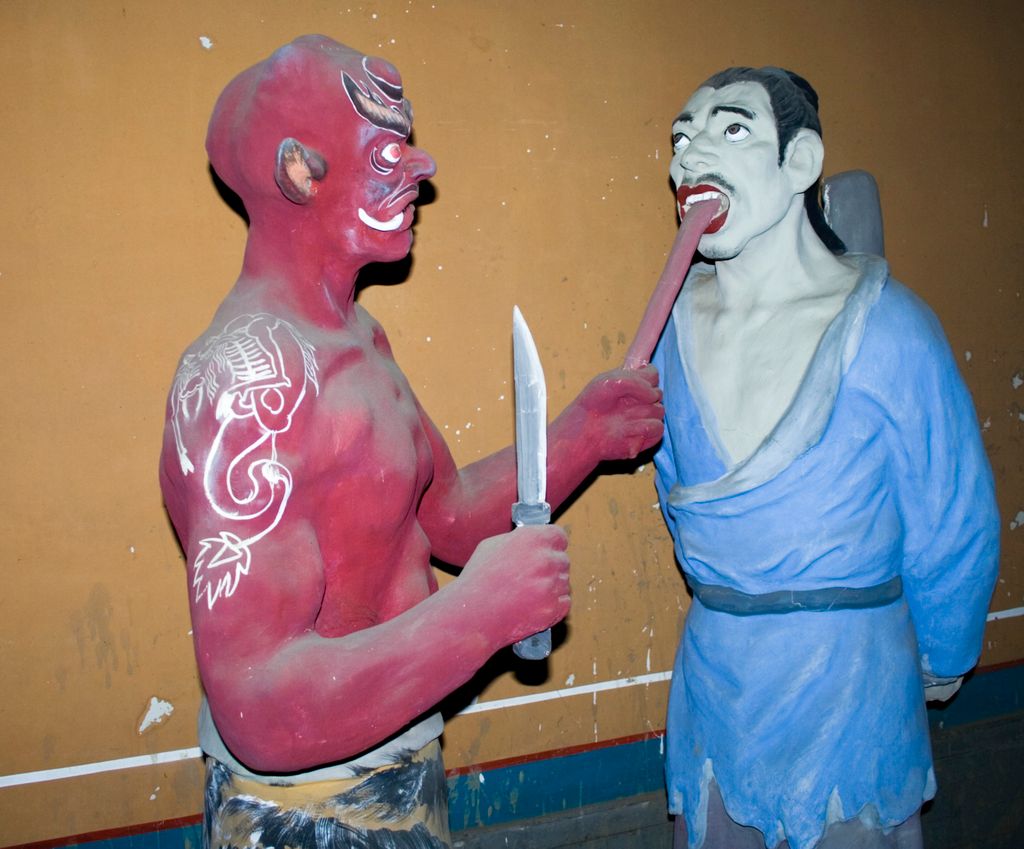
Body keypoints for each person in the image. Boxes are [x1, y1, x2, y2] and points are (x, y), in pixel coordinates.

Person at [159, 35, 664, 848]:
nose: (420, 166)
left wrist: (581, 435)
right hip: (304, 809)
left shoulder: (361, 338)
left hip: (405, 764)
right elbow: (257, 701)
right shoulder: (243, 383)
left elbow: (449, 518)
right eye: (388, 147)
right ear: (299, 170)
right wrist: (477, 616)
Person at [651, 66, 999, 849]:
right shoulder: (671, 332)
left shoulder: (890, 328)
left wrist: (944, 651)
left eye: (730, 127)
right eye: (682, 135)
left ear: (800, 163)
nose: (688, 153)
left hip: (850, 680)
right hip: (717, 680)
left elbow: (953, 516)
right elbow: (674, 484)